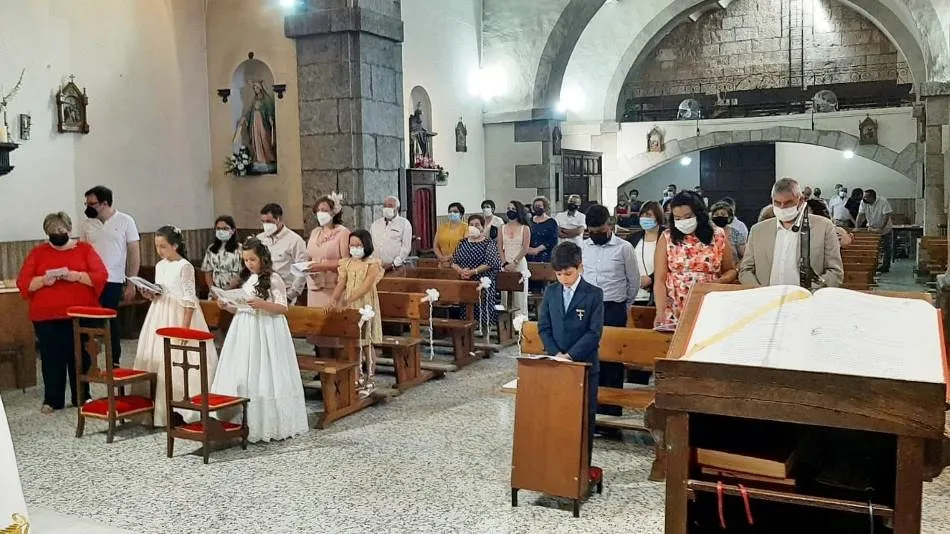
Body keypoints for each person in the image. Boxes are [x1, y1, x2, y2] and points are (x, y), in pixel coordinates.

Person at [210, 238, 309, 443]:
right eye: (246, 260)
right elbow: (242, 307)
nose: (249, 264)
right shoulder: (249, 279)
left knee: (264, 369)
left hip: (266, 328)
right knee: (246, 369)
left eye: (252, 260)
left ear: (262, 258)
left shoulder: (273, 278)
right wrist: (227, 305)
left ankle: (268, 422)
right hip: (245, 328)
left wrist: (262, 304)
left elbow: (283, 307)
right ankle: (241, 419)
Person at [17, 212, 107, 413]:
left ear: (68, 229)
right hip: (47, 316)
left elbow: (100, 276)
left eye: (60, 230)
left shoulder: (84, 249)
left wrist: (77, 276)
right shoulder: (38, 253)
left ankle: (82, 396)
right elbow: (23, 283)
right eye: (52, 231)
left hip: (81, 314)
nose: (56, 233)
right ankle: (52, 399)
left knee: (81, 355)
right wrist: (43, 280)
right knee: (51, 357)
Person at [132, 226, 218, 426]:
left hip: (180, 315)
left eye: (163, 246)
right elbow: (161, 291)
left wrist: (184, 329)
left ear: (175, 245)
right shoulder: (160, 265)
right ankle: (156, 407)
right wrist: (150, 294)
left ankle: (183, 408)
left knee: (180, 360)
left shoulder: (184, 266)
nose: (159, 251)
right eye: (157, 246)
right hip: (159, 313)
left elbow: (189, 299)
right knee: (157, 357)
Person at [537, 242, 604, 465]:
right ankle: (557, 465)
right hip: (556, 363)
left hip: (584, 365)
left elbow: (594, 333)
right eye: (559, 274)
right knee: (556, 415)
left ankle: (582, 465)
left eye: (568, 273)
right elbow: (544, 327)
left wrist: (571, 356)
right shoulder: (551, 292)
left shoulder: (593, 294)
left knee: (584, 418)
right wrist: (556, 353)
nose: (564, 279)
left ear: (580, 267)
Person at [581, 205, 640, 408]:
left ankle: (612, 409)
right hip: (589, 308)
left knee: (613, 358)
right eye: (592, 232)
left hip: (614, 307)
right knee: (590, 355)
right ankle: (591, 408)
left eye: (600, 231)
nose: (596, 235)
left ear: (610, 224)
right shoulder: (584, 247)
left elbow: (633, 281)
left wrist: (624, 304)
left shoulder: (624, 248)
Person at [739, 178, 844, 288]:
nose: (782, 207)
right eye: (777, 203)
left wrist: (810, 291)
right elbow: (745, 270)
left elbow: (835, 272)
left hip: (808, 296)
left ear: (801, 201)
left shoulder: (824, 227)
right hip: (766, 295)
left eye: (788, 203)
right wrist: (759, 291)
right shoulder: (757, 231)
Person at [654, 191, 737, 326]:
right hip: (675, 306)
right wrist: (660, 311)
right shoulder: (667, 237)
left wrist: (718, 282)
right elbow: (660, 279)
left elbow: (731, 270)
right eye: (678, 218)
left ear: (699, 214)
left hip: (709, 303)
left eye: (688, 217)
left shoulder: (718, 236)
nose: (683, 221)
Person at [80, 185, 141, 367]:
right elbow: (82, 253)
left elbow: (134, 253)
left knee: (109, 319)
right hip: (90, 280)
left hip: (113, 279)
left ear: (105, 203)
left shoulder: (125, 221)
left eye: (92, 203)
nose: (88, 207)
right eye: (86, 203)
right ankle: (88, 362)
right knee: (87, 320)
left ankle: (114, 360)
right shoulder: (87, 224)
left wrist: (131, 283)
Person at [330, 230, 384, 394]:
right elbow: (342, 283)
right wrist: (334, 298)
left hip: (365, 304)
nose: (354, 248)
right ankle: (356, 377)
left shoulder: (372, 264)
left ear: (366, 245)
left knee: (366, 342)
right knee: (354, 343)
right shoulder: (346, 263)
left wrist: (348, 300)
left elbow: (366, 286)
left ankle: (370, 378)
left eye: (358, 245)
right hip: (350, 305)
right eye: (352, 245)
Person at [451, 214, 503, 328]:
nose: (474, 227)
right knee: (466, 312)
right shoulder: (462, 242)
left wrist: (473, 271)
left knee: (483, 312)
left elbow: (490, 262)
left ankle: (485, 333)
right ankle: (468, 332)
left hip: (483, 282)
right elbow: (453, 262)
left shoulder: (489, 243)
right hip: (466, 282)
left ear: (482, 227)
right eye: (471, 225)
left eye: (477, 225)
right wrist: (461, 271)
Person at [257, 203, 308, 304]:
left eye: (269, 221)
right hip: (262, 291)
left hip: (284, 292)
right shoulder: (259, 239)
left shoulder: (295, 240)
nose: (265, 225)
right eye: (263, 221)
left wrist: (291, 295)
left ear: (279, 219)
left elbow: (302, 269)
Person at [306, 196, 350, 307]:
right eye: (318, 211)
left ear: (333, 212)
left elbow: (346, 263)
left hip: (333, 287)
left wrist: (322, 265)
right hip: (314, 286)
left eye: (324, 210)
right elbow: (309, 256)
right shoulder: (315, 232)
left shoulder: (343, 232)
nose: (320, 213)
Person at [498, 201, 531, 315]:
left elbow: (525, 248)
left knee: (519, 295)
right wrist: (504, 263)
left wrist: (515, 263)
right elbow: (500, 247)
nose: (510, 211)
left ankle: (520, 321)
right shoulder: (502, 227)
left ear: (518, 211)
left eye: (513, 209)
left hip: (519, 263)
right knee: (505, 294)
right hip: (505, 263)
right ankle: (506, 322)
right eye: (508, 208)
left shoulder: (525, 228)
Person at [856, 188, 893, 273]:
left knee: (886, 248)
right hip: (872, 228)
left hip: (885, 228)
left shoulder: (883, 201)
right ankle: (871, 266)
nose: (864, 199)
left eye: (866, 197)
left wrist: (880, 228)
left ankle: (886, 267)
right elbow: (860, 215)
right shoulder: (863, 202)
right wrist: (857, 227)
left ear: (872, 197)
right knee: (871, 248)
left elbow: (886, 216)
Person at [633, 201, 663, 305]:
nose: (644, 218)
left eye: (649, 215)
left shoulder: (667, 237)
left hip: (658, 295)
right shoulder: (633, 238)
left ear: (658, 217)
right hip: (635, 295)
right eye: (642, 215)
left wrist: (651, 279)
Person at [201, 215, 242, 292]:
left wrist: (230, 287)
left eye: (225, 228)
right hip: (215, 291)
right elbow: (207, 271)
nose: (221, 231)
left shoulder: (240, 248)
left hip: (235, 290)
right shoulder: (211, 248)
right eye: (218, 228)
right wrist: (212, 289)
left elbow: (245, 271)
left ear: (233, 230)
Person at [370, 196, 412, 270]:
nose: (387, 208)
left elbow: (406, 248)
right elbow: (370, 243)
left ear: (397, 208)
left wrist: (394, 263)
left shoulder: (404, 224)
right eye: (385, 206)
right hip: (376, 266)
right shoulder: (375, 224)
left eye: (390, 206)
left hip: (395, 267)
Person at [434, 202, 468, 267]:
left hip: (460, 264)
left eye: (455, 211)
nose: (452, 213)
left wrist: (449, 257)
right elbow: (436, 246)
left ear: (461, 214)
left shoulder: (466, 227)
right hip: (443, 263)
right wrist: (441, 258)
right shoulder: (442, 227)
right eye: (450, 212)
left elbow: (465, 247)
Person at [526, 196, 558, 262]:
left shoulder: (551, 222)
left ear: (545, 207)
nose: (537, 208)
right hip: (529, 255)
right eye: (535, 206)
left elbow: (553, 240)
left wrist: (537, 249)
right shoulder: (529, 221)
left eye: (539, 206)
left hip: (545, 256)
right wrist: (528, 249)